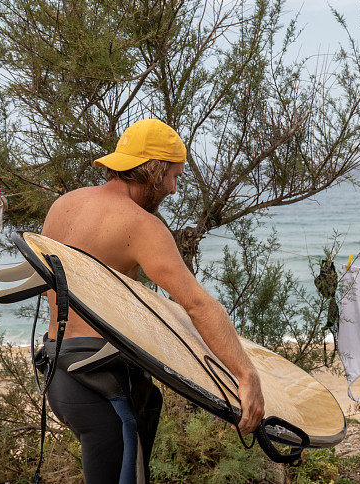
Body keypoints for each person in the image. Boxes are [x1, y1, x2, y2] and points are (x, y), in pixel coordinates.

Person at [40, 118, 265, 483]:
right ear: (154, 172)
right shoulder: (141, 224)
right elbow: (198, 305)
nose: (174, 189)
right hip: (102, 384)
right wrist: (246, 374)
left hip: (59, 373)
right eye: (173, 176)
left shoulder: (64, 204)